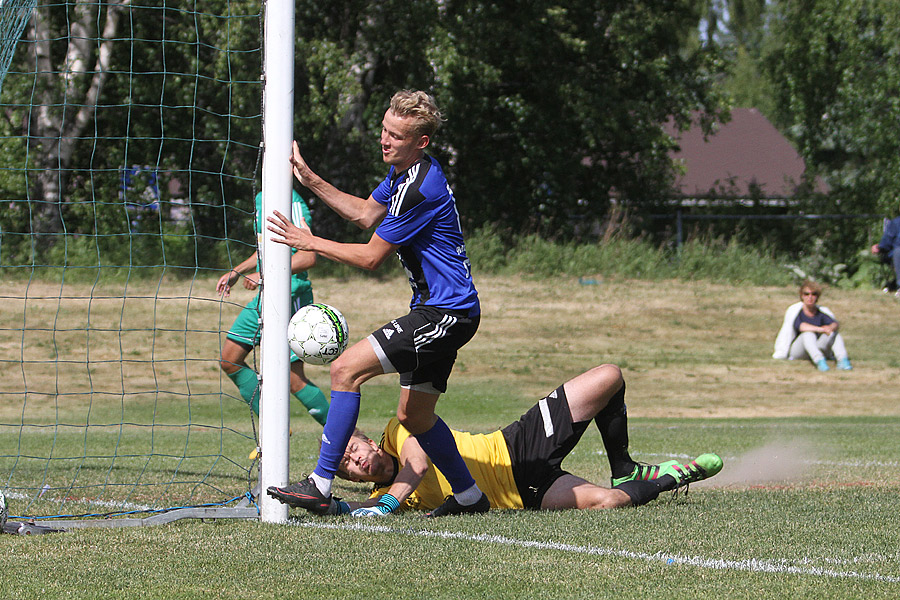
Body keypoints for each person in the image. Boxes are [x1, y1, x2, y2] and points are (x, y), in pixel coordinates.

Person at [266, 90, 486, 517]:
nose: (385, 140)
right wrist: (309, 179)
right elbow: (367, 214)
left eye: (397, 136)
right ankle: (470, 498)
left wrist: (309, 242)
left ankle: (319, 482)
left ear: (420, 142)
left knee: (344, 369)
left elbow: (370, 256)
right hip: (442, 310)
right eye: (384, 129)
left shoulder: (420, 187)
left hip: (447, 313)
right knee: (414, 417)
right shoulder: (403, 174)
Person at [268, 363, 723, 515]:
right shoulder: (383, 494)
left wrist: (384, 506)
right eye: (346, 464)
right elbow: (361, 508)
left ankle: (626, 464)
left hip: (516, 445)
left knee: (609, 377)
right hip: (525, 495)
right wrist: (338, 508)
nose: (354, 460)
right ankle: (677, 476)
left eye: (352, 449)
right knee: (610, 503)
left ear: (367, 440)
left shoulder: (397, 428)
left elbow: (419, 465)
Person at [216, 190, 330, 425]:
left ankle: (349, 439)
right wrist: (238, 271)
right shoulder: (261, 196)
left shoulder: (292, 200)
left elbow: (309, 257)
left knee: (292, 379)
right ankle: (273, 431)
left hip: (290, 294)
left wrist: (264, 274)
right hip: (266, 296)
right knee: (230, 360)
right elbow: (265, 249)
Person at [772, 280, 852, 371]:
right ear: (802, 296)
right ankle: (819, 361)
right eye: (806, 294)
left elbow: (835, 323)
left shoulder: (822, 312)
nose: (810, 297)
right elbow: (802, 326)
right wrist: (821, 329)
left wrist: (830, 328)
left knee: (834, 333)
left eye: (813, 294)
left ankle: (843, 360)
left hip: (816, 346)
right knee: (808, 334)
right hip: (799, 350)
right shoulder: (795, 311)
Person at [871, 213, 900, 294]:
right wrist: (879, 247)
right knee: (898, 251)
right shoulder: (895, 223)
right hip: (896, 255)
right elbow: (885, 243)